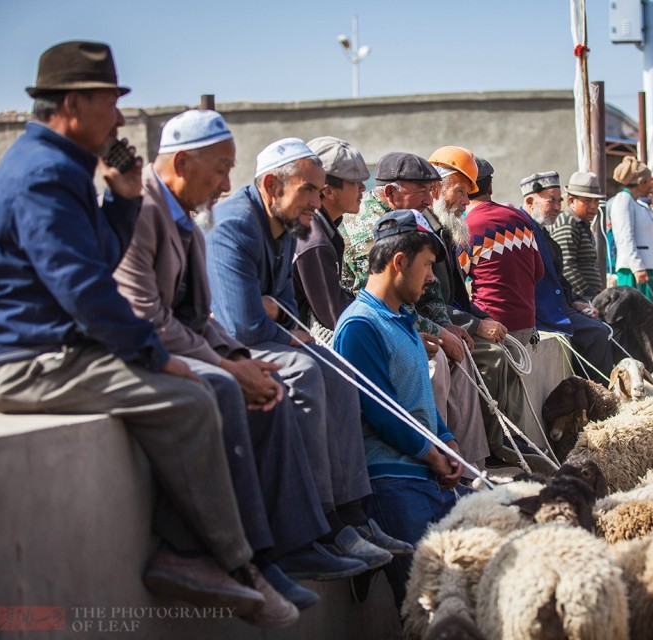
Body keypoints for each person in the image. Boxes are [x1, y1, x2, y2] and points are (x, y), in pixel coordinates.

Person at [0, 41, 291, 625]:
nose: (120, 118)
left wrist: (120, 204)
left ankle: (209, 555)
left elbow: (89, 262)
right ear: (73, 103)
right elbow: (84, 288)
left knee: (201, 391)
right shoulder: (43, 173)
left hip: (62, 350)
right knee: (191, 397)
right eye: (109, 102)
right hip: (29, 360)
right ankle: (220, 559)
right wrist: (155, 356)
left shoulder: (59, 167)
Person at [118, 111, 386, 612]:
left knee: (328, 366)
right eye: (308, 191)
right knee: (287, 374)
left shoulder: (269, 226)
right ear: (270, 185)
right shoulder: (218, 223)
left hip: (202, 343)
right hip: (151, 351)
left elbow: (242, 316)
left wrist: (256, 350)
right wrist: (238, 358)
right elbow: (230, 321)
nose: (224, 184)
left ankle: (343, 516)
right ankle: (292, 540)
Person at [206, 138, 412, 577]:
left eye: (320, 191)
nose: (317, 202)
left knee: (338, 369)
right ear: (269, 185)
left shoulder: (289, 223)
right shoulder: (234, 226)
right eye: (309, 190)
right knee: (304, 372)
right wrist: (283, 321)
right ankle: (318, 526)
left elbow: (281, 310)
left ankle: (354, 515)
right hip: (226, 348)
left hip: (264, 336)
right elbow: (242, 325)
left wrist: (282, 317)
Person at [334, 209, 463, 609]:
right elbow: (381, 410)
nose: (430, 278)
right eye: (426, 266)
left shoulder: (403, 322)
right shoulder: (360, 326)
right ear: (399, 262)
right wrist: (431, 454)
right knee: (428, 608)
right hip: (392, 485)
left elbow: (417, 399)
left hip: (426, 477)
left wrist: (446, 439)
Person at [342, 150, 487, 466]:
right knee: (434, 367)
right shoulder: (367, 228)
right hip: (372, 326)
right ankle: (429, 459)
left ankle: (469, 468)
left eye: (432, 190)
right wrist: (436, 333)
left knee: (460, 357)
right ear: (392, 193)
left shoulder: (415, 218)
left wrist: (446, 327)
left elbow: (429, 286)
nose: (428, 198)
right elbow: (382, 299)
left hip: (402, 319)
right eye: (421, 190)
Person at [425, 146, 533, 469]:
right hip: (437, 327)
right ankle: (493, 448)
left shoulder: (446, 230)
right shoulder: (427, 230)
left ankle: (505, 442)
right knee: (494, 356)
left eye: (467, 193)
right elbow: (433, 302)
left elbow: (458, 296)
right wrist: (474, 326)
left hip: (453, 323)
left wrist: (482, 318)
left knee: (504, 351)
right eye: (460, 191)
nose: (464, 201)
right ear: (438, 188)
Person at [518, 171, 614, 380]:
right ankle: (596, 399)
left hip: (559, 306)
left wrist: (575, 301)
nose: (557, 207)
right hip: (543, 313)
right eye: (551, 200)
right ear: (530, 201)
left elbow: (557, 277)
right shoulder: (523, 231)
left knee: (603, 328)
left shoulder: (541, 230)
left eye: (558, 201)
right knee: (598, 334)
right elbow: (566, 268)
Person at [463, 157, 545, 345]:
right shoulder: (519, 218)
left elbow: (454, 285)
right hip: (526, 325)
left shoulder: (466, 227)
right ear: (490, 187)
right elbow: (538, 272)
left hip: (491, 328)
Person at [292, 136, 366, 330]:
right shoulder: (313, 239)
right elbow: (337, 317)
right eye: (355, 181)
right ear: (328, 191)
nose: (363, 188)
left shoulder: (322, 226)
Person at [610, 156, 653, 305]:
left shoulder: (642, 205)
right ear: (641, 182)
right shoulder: (623, 200)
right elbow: (624, 236)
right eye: (650, 182)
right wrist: (637, 266)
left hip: (650, 266)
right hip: (633, 269)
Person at [551, 171, 607, 301]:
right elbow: (567, 267)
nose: (593, 206)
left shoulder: (582, 224)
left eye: (596, 201)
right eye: (587, 201)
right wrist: (590, 297)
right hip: (577, 300)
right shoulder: (568, 223)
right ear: (571, 201)